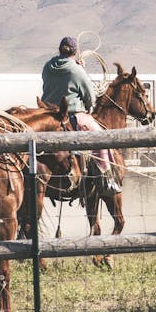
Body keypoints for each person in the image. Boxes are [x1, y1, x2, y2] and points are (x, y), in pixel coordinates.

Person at [41, 36, 120, 195]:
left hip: (48, 114)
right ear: (76, 52)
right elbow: (89, 94)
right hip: (72, 114)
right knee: (100, 138)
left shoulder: (47, 66)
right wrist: (89, 106)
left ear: (59, 50)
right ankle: (107, 179)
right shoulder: (77, 70)